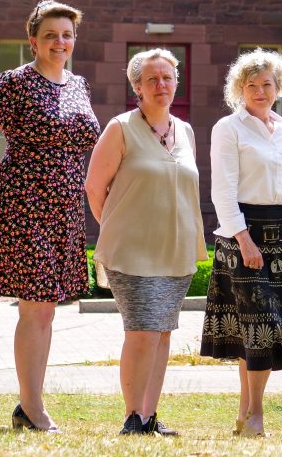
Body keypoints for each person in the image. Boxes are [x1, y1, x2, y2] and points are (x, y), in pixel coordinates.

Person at [0, 0, 100, 432]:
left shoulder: (78, 85)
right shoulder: (15, 83)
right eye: (50, 35)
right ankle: (32, 408)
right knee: (36, 309)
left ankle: (29, 405)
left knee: (47, 310)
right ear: (33, 42)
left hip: (65, 209)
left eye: (66, 35)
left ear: (74, 40)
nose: (59, 42)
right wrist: (7, 186)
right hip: (25, 208)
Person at [85, 48, 207, 436]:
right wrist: (117, 228)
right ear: (136, 86)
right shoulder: (120, 128)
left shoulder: (184, 131)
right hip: (132, 252)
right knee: (142, 333)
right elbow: (93, 186)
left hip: (176, 251)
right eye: (152, 79)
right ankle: (132, 417)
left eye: (168, 77)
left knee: (163, 333)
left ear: (176, 83)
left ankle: (149, 415)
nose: (161, 85)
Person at [199, 48, 282, 437]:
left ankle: (245, 412)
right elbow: (223, 192)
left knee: (258, 328)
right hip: (246, 235)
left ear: (280, 87)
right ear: (240, 89)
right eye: (252, 85)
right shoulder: (228, 128)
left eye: (267, 84)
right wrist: (244, 240)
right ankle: (257, 414)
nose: (260, 91)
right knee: (259, 325)